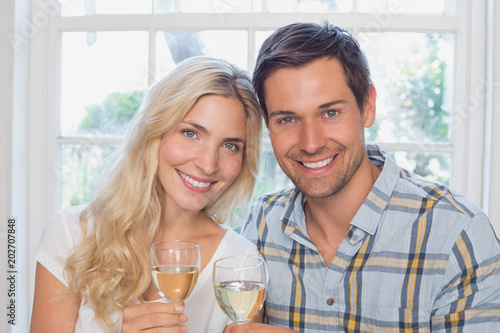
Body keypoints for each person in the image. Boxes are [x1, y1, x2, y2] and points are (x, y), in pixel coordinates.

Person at [230, 22, 500, 332]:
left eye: (330, 113)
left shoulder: (457, 233)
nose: (311, 143)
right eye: (287, 119)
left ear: (367, 106)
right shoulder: (261, 225)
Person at [30, 56, 263, 332]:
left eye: (230, 146)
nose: (208, 164)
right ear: (154, 132)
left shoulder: (240, 263)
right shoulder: (71, 235)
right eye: (190, 133)